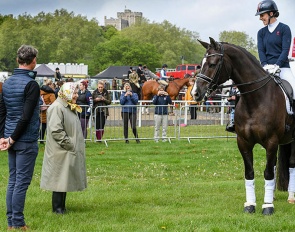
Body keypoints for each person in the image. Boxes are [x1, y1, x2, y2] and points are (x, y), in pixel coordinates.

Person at [0, 45, 39, 230]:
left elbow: (2, 112)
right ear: (33, 61)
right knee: (21, 182)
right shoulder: (32, 84)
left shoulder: (7, 82)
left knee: (13, 180)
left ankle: (11, 222)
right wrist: (13, 138)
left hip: (10, 136)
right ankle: (18, 223)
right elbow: (26, 116)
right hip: (24, 139)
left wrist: (3, 137)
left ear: (17, 60)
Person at [40, 82, 87, 214]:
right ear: (66, 93)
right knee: (58, 180)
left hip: (65, 150)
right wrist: (69, 144)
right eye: (75, 93)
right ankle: (57, 208)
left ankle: (62, 207)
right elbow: (56, 130)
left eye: (77, 93)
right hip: (60, 150)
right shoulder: (57, 107)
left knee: (63, 179)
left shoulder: (67, 106)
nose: (76, 96)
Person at [256, 0, 295, 103]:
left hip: (283, 68)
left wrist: (277, 65)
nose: (260, 18)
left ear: (271, 13)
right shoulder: (261, 33)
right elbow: (261, 51)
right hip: (267, 69)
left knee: (294, 91)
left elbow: (285, 50)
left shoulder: (284, 29)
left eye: (262, 15)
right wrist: (264, 65)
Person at [40, 78, 56, 143]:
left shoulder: (41, 92)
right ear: (49, 85)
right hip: (49, 112)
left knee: (43, 126)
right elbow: (54, 102)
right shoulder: (51, 94)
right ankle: (48, 140)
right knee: (49, 127)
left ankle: (41, 139)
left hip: (42, 111)